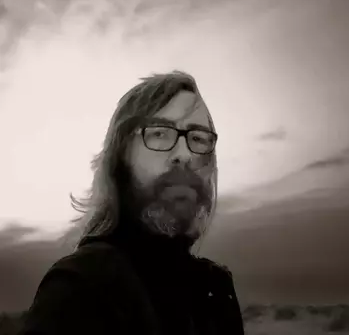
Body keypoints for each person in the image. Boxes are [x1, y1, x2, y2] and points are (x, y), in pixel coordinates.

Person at [20, 71, 245, 335]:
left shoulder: (215, 290)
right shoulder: (80, 288)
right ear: (120, 158)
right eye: (159, 133)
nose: (184, 154)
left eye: (198, 138)